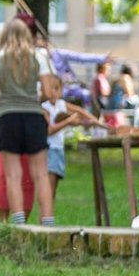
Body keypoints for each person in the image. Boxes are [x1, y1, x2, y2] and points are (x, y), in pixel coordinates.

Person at [0, 16, 55, 225]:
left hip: (7, 118)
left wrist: (6, 100)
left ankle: (19, 224)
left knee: (13, 175)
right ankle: (47, 222)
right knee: (41, 174)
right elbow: (48, 92)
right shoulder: (39, 57)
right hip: (34, 117)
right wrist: (32, 99)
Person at [41, 72, 98, 208]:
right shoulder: (44, 107)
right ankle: (46, 217)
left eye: (56, 88)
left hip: (58, 149)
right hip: (49, 149)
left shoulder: (61, 105)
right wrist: (68, 121)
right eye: (50, 88)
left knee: (54, 187)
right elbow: (50, 130)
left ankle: (48, 216)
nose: (53, 92)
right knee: (49, 188)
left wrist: (93, 121)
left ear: (61, 90)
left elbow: (79, 111)